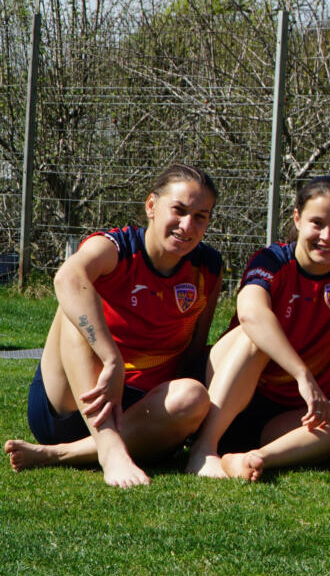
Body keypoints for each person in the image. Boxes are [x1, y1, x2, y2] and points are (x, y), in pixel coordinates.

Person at [6, 164, 222, 488]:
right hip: (76, 403)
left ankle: (60, 454)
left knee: (194, 396)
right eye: (178, 210)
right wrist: (112, 360)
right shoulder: (116, 248)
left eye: (200, 216)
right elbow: (66, 278)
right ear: (151, 206)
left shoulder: (208, 267)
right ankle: (108, 449)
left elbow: (193, 350)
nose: (187, 225)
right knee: (75, 303)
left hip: (141, 416)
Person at [185, 176, 330, 480]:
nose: (327, 236)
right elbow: (251, 314)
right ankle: (203, 448)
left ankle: (253, 458)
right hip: (229, 397)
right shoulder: (271, 261)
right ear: (297, 218)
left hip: (286, 419)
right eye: (317, 223)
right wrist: (303, 375)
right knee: (255, 335)